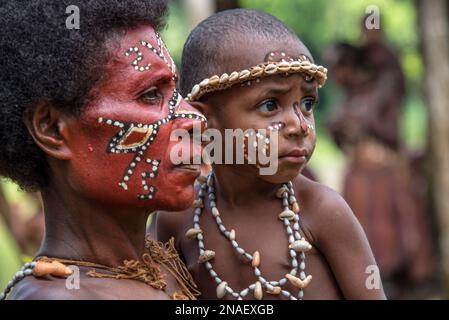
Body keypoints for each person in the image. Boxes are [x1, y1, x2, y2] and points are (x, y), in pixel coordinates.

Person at [155, 9, 385, 300]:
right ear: (204, 123)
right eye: (270, 105)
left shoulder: (322, 211)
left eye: (307, 104)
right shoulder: (178, 219)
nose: (299, 126)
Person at [0, 0, 207, 300]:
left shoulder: (167, 261)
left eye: (176, 93)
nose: (194, 118)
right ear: (53, 129)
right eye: (151, 95)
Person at [325, 29, 436, 299]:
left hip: (384, 171)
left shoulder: (382, 87)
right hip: (360, 173)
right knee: (362, 225)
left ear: (348, 67)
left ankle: (400, 276)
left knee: (390, 227)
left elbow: (383, 128)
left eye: (336, 68)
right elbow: (339, 132)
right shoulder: (348, 98)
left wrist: (356, 122)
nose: (333, 77)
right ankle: (372, 275)